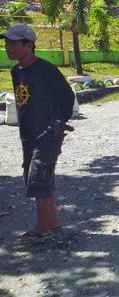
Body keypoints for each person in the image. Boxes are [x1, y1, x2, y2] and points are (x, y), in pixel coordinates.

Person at [2, 25, 75, 245]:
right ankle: (52, 222)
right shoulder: (16, 72)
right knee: (36, 176)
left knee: (39, 177)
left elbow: (66, 96)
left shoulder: (46, 70)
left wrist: (59, 121)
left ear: (29, 45)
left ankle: (42, 228)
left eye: (14, 43)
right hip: (28, 133)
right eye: (7, 43)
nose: (8, 47)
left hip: (47, 132)